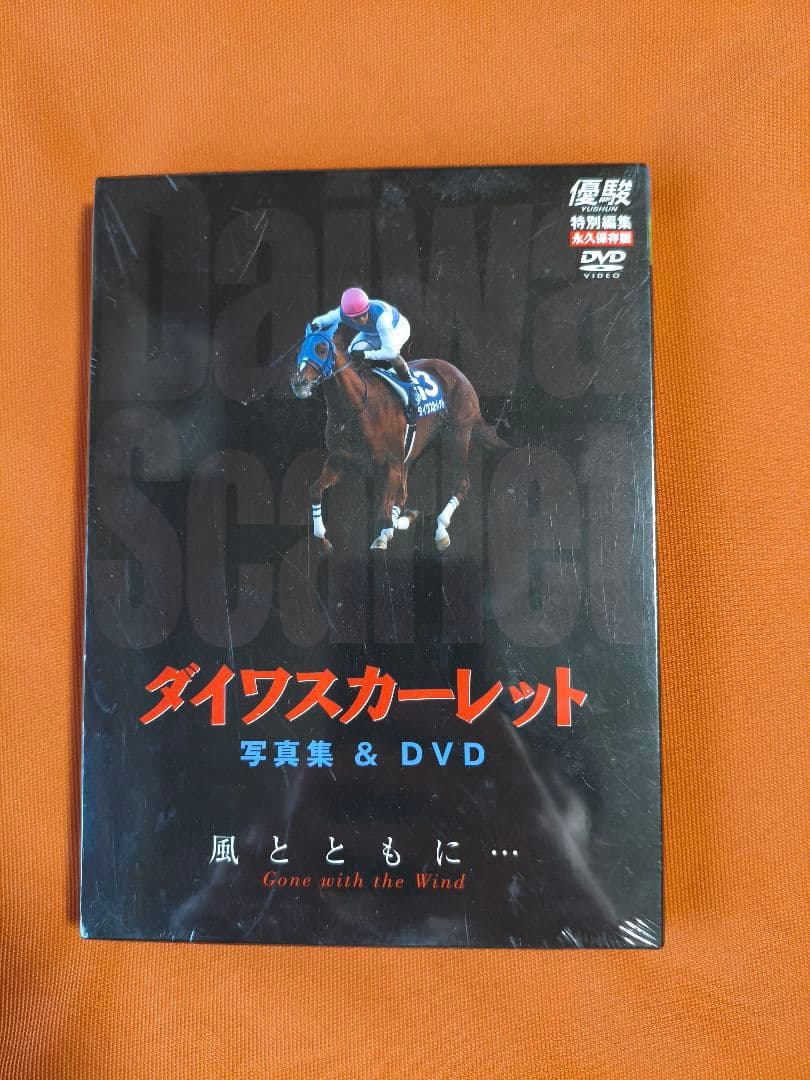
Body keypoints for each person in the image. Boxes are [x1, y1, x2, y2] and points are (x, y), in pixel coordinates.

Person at [309, 287, 421, 422]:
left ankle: (412, 389)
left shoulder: (382, 318)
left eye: (364, 314)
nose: (362, 319)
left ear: (368, 308)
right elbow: (328, 318)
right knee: (352, 352)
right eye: (356, 318)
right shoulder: (342, 313)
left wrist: (366, 354)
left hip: (397, 328)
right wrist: (317, 323)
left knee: (392, 356)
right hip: (372, 332)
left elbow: (389, 351)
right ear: (348, 315)